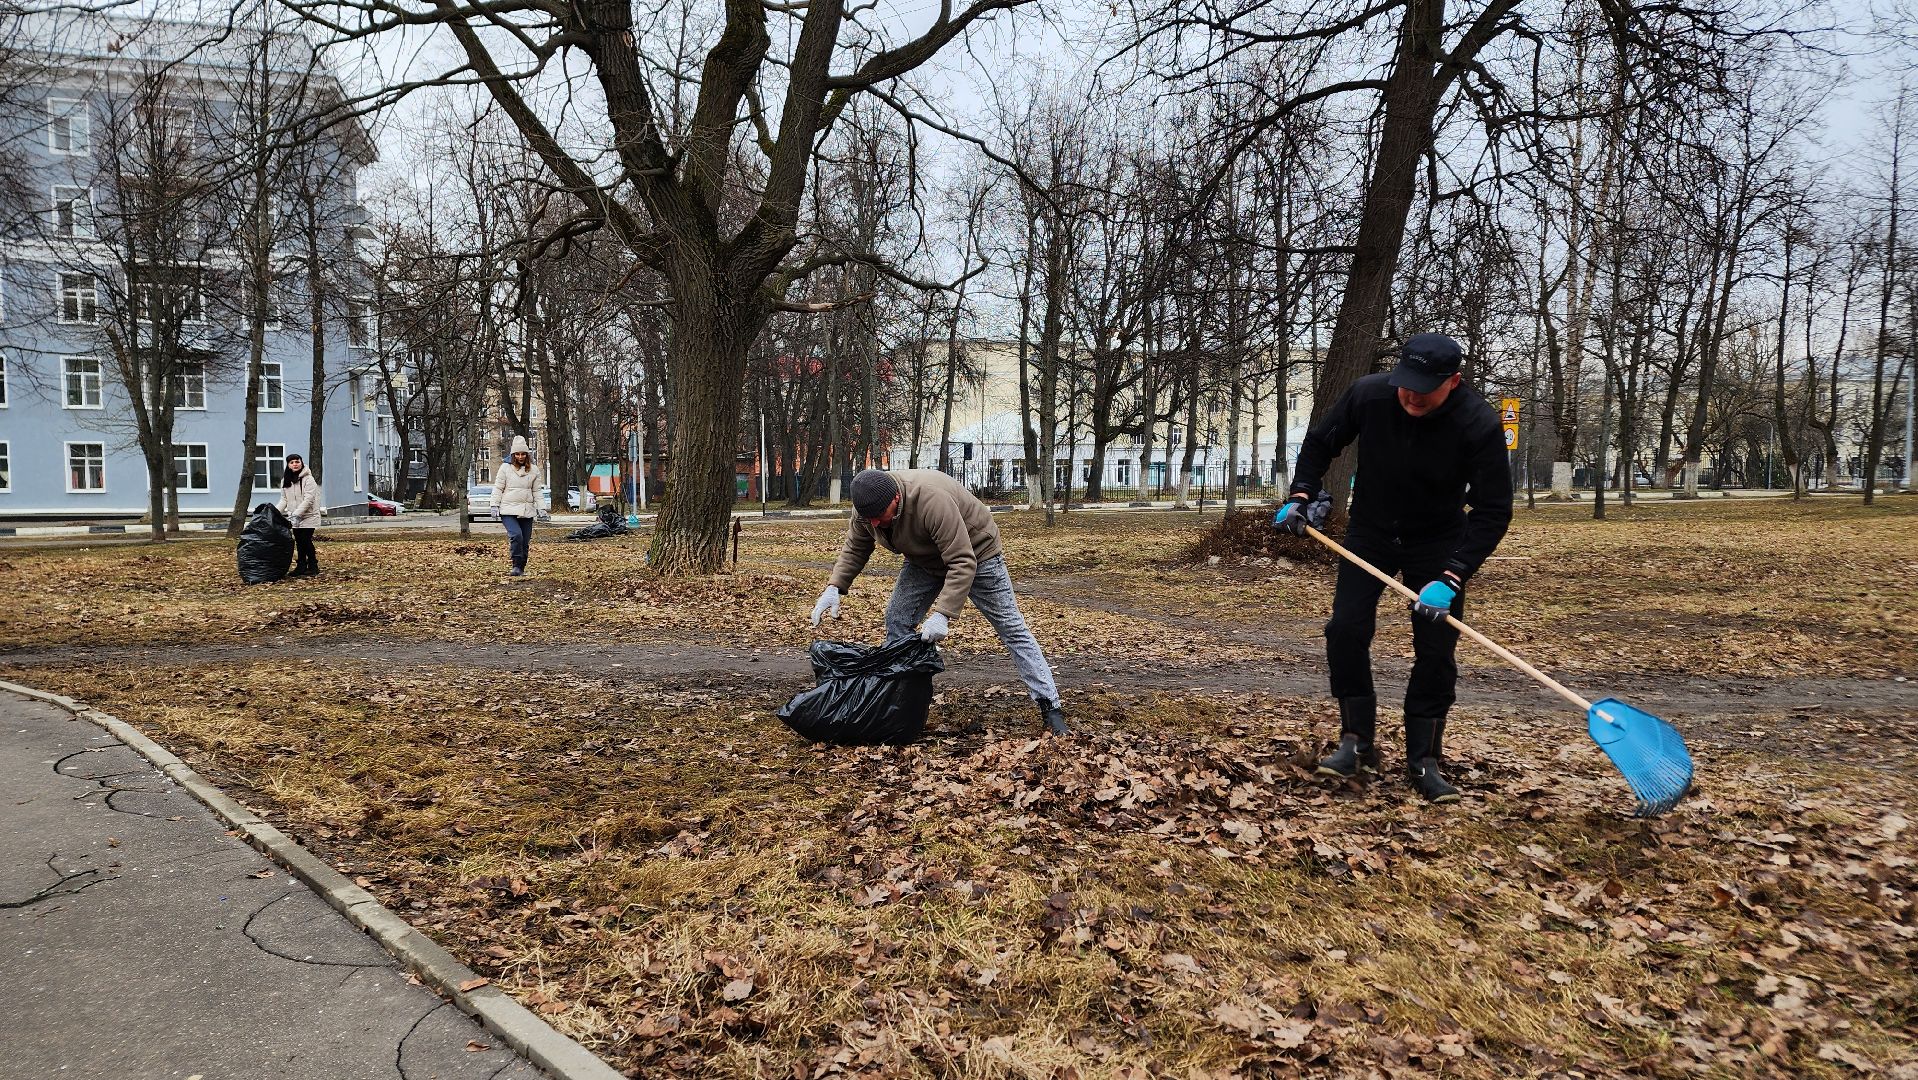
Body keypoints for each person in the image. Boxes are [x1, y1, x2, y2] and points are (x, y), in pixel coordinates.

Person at [1274, 332, 1512, 803]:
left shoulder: (1478, 423)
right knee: (1345, 628)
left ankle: (1424, 759)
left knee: (1436, 648)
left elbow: (1493, 511)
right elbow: (1321, 442)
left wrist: (1452, 575)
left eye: (1425, 387)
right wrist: (1302, 493)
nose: (1412, 395)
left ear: (1454, 381)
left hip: (1439, 542)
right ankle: (1356, 742)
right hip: (1371, 533)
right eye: (1406, 383)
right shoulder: (1369, 394)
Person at [810, 468, 1068, 735]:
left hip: (978, 554)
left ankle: (1050, 706)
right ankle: (900, 708)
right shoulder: (867, 508)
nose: (874, 524)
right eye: (869, 519)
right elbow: (856, 546)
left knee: (1012, 629)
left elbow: (962, 561)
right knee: (897, 620)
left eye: (879, 517)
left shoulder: (931, 500)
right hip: (924, 560)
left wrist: (943, 614)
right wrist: (835, 586)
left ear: (896, 498)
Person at [490, 435, 540, 577]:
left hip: (526, 509)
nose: (520, 457)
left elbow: (536, 491)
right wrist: (494, 505)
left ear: (527, 454)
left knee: (524, 541)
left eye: (523, 453)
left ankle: (521, 567)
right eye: (517, 454)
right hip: (508, 509)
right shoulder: (505, 468)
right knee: (516, 536)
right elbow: (498, 487)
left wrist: (541, 508)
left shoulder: (534, 470)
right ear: (513, 455)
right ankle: (516, 565)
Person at [277, 453, 323, 578]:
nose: (295, 464)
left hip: (309, 515)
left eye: (297, 462)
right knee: (299, 541)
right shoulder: (285, 480)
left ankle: (313, 566)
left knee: (305, 540)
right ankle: (301, 566)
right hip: (294, 517)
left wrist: (297, 513)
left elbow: (309, 500)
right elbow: (284, 500)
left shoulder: (309, 479)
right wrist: (274, 512)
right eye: (292, 462)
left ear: (301, 463)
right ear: (288, 465)